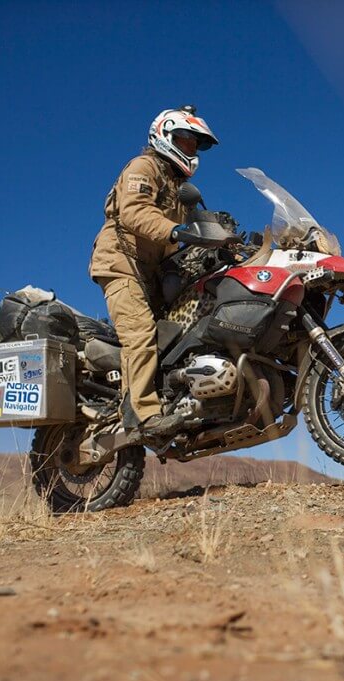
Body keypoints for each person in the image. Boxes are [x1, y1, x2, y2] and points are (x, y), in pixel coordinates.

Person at [89, 105, 219, 437]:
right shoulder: (143, 166)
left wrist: (224, 242)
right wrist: (175, 231)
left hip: (153, 274)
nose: (190, 148)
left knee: (178, 333)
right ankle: (141, 415)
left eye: (194, 144)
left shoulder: (180, 190)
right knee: (141, 335)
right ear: (164, 136)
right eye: (185, 140)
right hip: (121, 264)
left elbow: (192, 234)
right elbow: (134, 213)